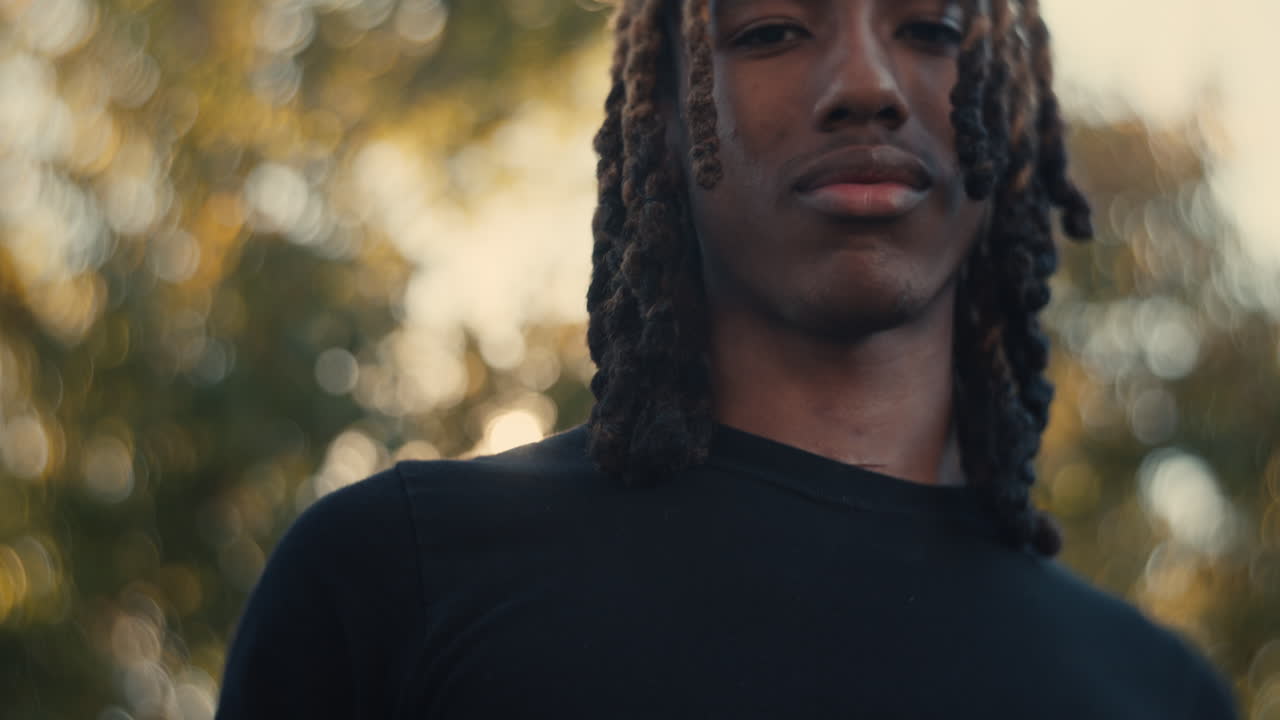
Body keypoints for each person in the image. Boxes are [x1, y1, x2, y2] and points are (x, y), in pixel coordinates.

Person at [215, 0, 1239, 717]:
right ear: (660, 112)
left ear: (1010, 110)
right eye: (771, 31)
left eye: (930, 28)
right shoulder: (395, 586)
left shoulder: (1159, 695)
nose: (864, 86)